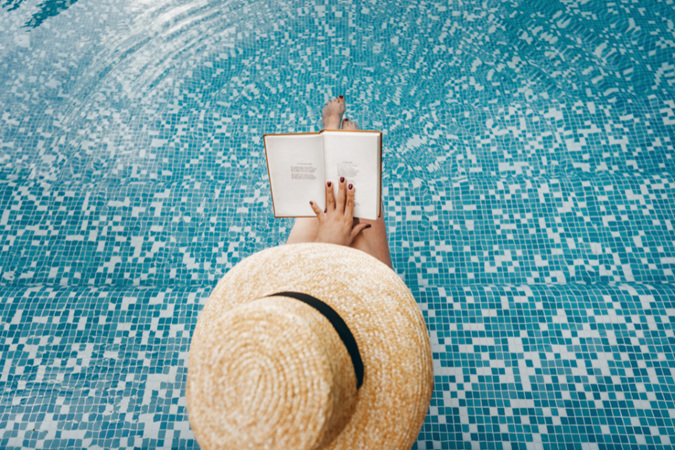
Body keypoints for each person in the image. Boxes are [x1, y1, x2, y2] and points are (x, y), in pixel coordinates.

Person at [285, 96, 392, 268]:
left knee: (322, 199)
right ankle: (345, 152)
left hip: (300, 275)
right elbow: (383, 283)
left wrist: (327, 241)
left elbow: (288, 278)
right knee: (359, 197)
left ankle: (329, 136)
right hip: (366, 279)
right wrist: (349, 230)